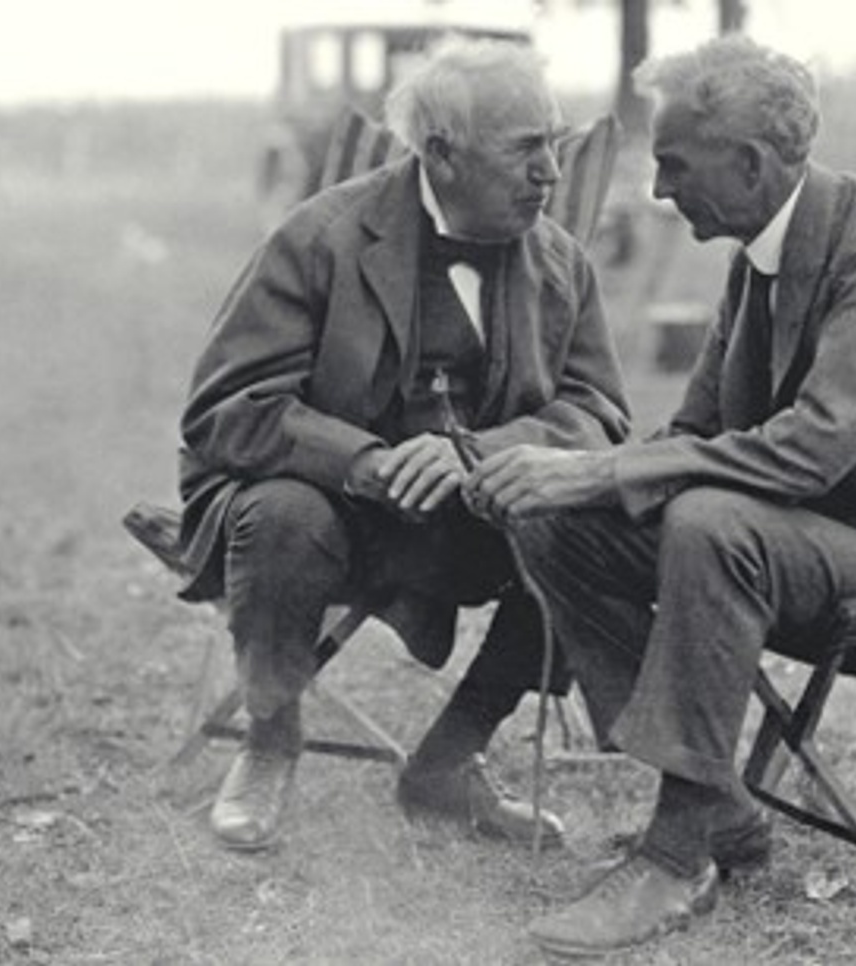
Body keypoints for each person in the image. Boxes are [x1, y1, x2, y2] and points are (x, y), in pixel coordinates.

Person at [465, 35, 856, 956]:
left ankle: (675, 854)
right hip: (800, 540)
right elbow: (696, 432)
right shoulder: (757, 253)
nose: (657, 190)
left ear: (753, 164)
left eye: (673, 164)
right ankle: (723, 805)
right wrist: (567, 478)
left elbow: (809, 452)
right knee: (556, 521)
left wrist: (605, 470)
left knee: (709, 522)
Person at [172, 37, 630, 853]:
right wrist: (365, 463)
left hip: (469, 528)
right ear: (443, 154)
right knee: (280, 513)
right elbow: (226, 409)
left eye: (553, 148)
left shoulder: (560, 263)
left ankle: (449, 762)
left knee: (584, 527)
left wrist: (483, 453)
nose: (551, 175)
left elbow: (598, 413)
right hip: (329, 520)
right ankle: (269, 743)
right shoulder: (319, 239)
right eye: (525, 151)